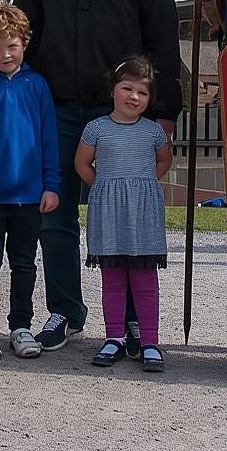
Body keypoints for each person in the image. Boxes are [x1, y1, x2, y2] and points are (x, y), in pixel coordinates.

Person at [15, 0, 181, 354]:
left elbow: (164, 38)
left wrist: (165, 109)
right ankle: (65, 310)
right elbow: (23, 34)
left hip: (125, 117)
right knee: (55, 215)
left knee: (127, 216)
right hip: (58, 110)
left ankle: (131, 322)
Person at [0, 3, 60, 360]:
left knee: (24, 264)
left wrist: (52, 185)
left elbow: (50, 139)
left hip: (30, 196)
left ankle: (20, 326)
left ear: (25, 43)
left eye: (12, 45)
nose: (5, 54)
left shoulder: (37, 87)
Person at [75, 56, 173, 372]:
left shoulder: (154, 132)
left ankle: (150, 342)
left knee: (145, 279)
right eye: (127, 88)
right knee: (113, 278)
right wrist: (105, 186)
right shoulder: (96, 129)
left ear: (150, 98)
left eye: (142, 92)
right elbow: (81, 164)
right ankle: (114, 337)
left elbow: (163, 162)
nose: (134, 97)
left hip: (143, 214)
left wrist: (140, 186)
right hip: (109, 212)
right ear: (113, 90)